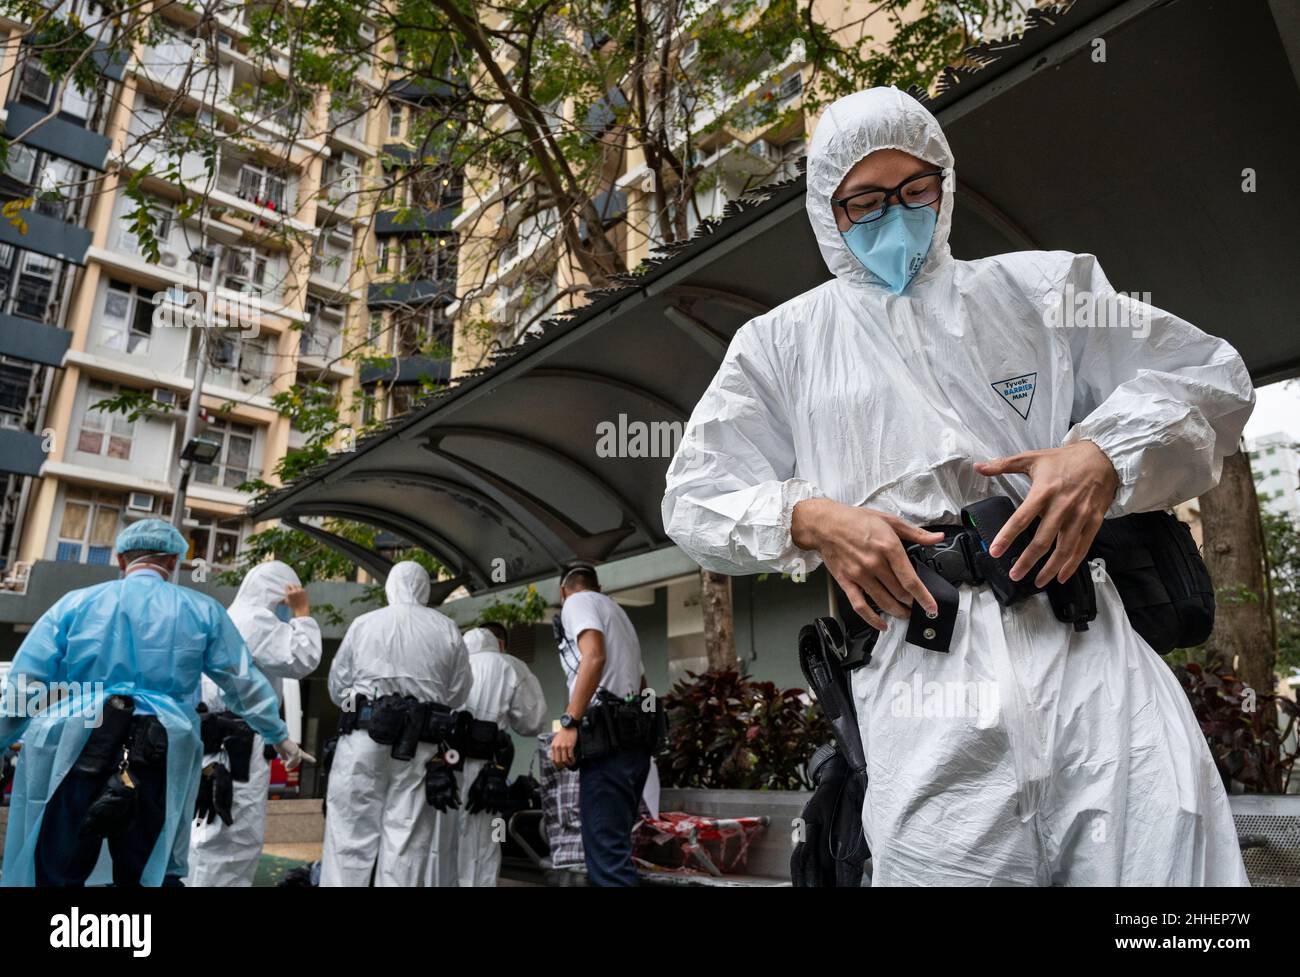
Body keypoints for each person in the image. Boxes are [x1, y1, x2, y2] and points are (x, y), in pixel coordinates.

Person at [661, 87, 1255, 887]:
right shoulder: (782, 345)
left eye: (914, 191)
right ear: (825, 210)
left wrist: (1102, 454)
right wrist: (808, 516)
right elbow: (694, 494)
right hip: (922, 684)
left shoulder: (1040, 290)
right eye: (864, 202)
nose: (894, 217)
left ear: (943, 184)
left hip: (1089, 658)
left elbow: (1208, 377)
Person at [0, 519, 309, 887]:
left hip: (80, 748)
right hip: (160, 754)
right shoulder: (202, 610)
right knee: (148, 871)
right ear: (175, 560)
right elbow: (243, 683)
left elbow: (25, 685)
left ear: (120, 559)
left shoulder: (75, 605)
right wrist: (279, 736)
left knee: (60, 869)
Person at [320, 560, 472, 887]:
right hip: (421, 745)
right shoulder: (446, 628)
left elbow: (337, 687)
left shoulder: (364, 624)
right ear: (425, 589)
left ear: (389, 587)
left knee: (348, 837)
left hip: (362, 740)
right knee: (407, 843)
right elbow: (459, 694)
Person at [187, 560, 323, 886]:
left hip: (217, 741)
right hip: (240, 746)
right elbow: (303, 658)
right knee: (233, 839)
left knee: (209, 833)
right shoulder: (257, 621)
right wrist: (303, 614)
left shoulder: (228, 618)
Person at [549, 564, 650, 886]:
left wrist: (569, 722)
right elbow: (643, 684)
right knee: (615, 852)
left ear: (562, 590)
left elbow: (593, 656)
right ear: (598, 584)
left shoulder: (576, 602)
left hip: (607, 744)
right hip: (633, 743)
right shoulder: (617, 612)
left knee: (607, 862)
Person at [448, 622, 547, 887]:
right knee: (484, 843)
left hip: (442, 766)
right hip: (486, 770)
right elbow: (532, 722)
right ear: (500, 644)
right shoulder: (510, 666)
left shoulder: (450, 664)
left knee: (440, 843)